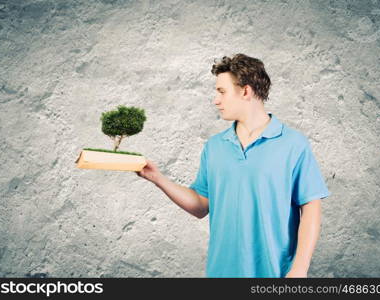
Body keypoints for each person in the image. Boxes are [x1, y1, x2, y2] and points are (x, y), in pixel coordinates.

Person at [135, 53, 331, 278]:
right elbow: (201, 206)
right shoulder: (215, 146)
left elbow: (311, 209)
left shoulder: (293, 144)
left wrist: (299, 269)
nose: (215, 100)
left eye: (221, 92)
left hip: (276, 273)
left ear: (246, 91)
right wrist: (158, 179)